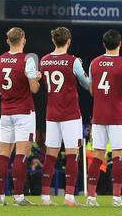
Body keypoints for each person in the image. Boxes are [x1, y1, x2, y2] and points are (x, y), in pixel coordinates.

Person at [38, 27, 90, 206]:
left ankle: (45, 196)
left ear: (54, 41)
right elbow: (87, 84)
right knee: (71, 154)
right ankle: (69, 196)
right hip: (70, 114)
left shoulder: (44, 61)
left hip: (52, 113)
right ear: (68, 41)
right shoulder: (73, 61)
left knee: (50, 155)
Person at [0, 27, 41, 205]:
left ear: (7, 41)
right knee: (21, 154)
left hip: (5, 112)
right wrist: (37, 77)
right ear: (24, 40)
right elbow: (34, 88)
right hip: (23, 112)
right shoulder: (27, 60)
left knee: (3, 154)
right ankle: (19, 196)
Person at [87, 29, 122, 207]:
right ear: (120, 44)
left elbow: (92, 91)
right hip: (117, 116)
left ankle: (91, 197)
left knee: (98, 155)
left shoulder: (94, 63)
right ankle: (116, 198)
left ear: (104, 44)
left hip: (99, 115)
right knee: (118, 156)